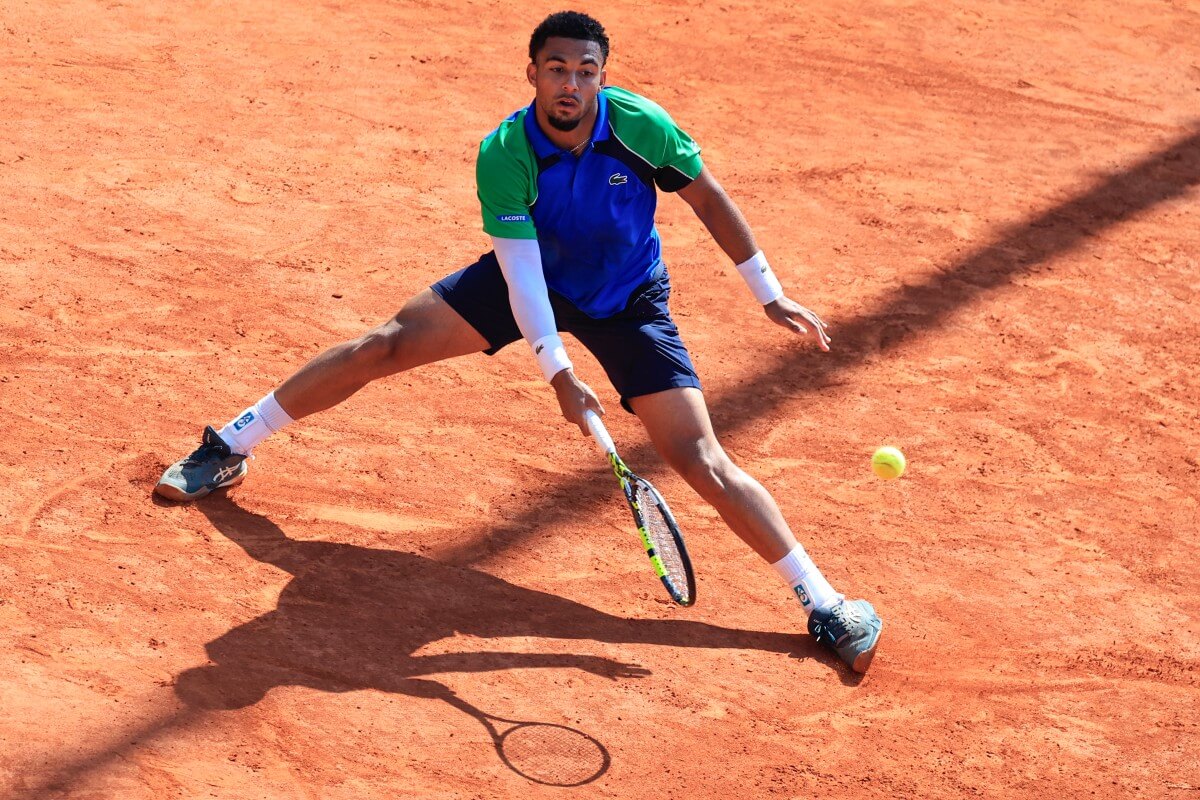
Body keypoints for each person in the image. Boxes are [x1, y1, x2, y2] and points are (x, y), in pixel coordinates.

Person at [156, 11, 883, 673]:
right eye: (558, 68)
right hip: (529, 275)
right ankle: (229, 444)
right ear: (532, 72)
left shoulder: (641, 128)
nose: (572, 82)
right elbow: (524, 279)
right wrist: (558, 370)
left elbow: (709, 199)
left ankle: (823, 603)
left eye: (586, 70)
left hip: (629, 300)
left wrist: (768, 291)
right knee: (384, 344)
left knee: (698, 456)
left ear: (603, 75)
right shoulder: (505, 153)